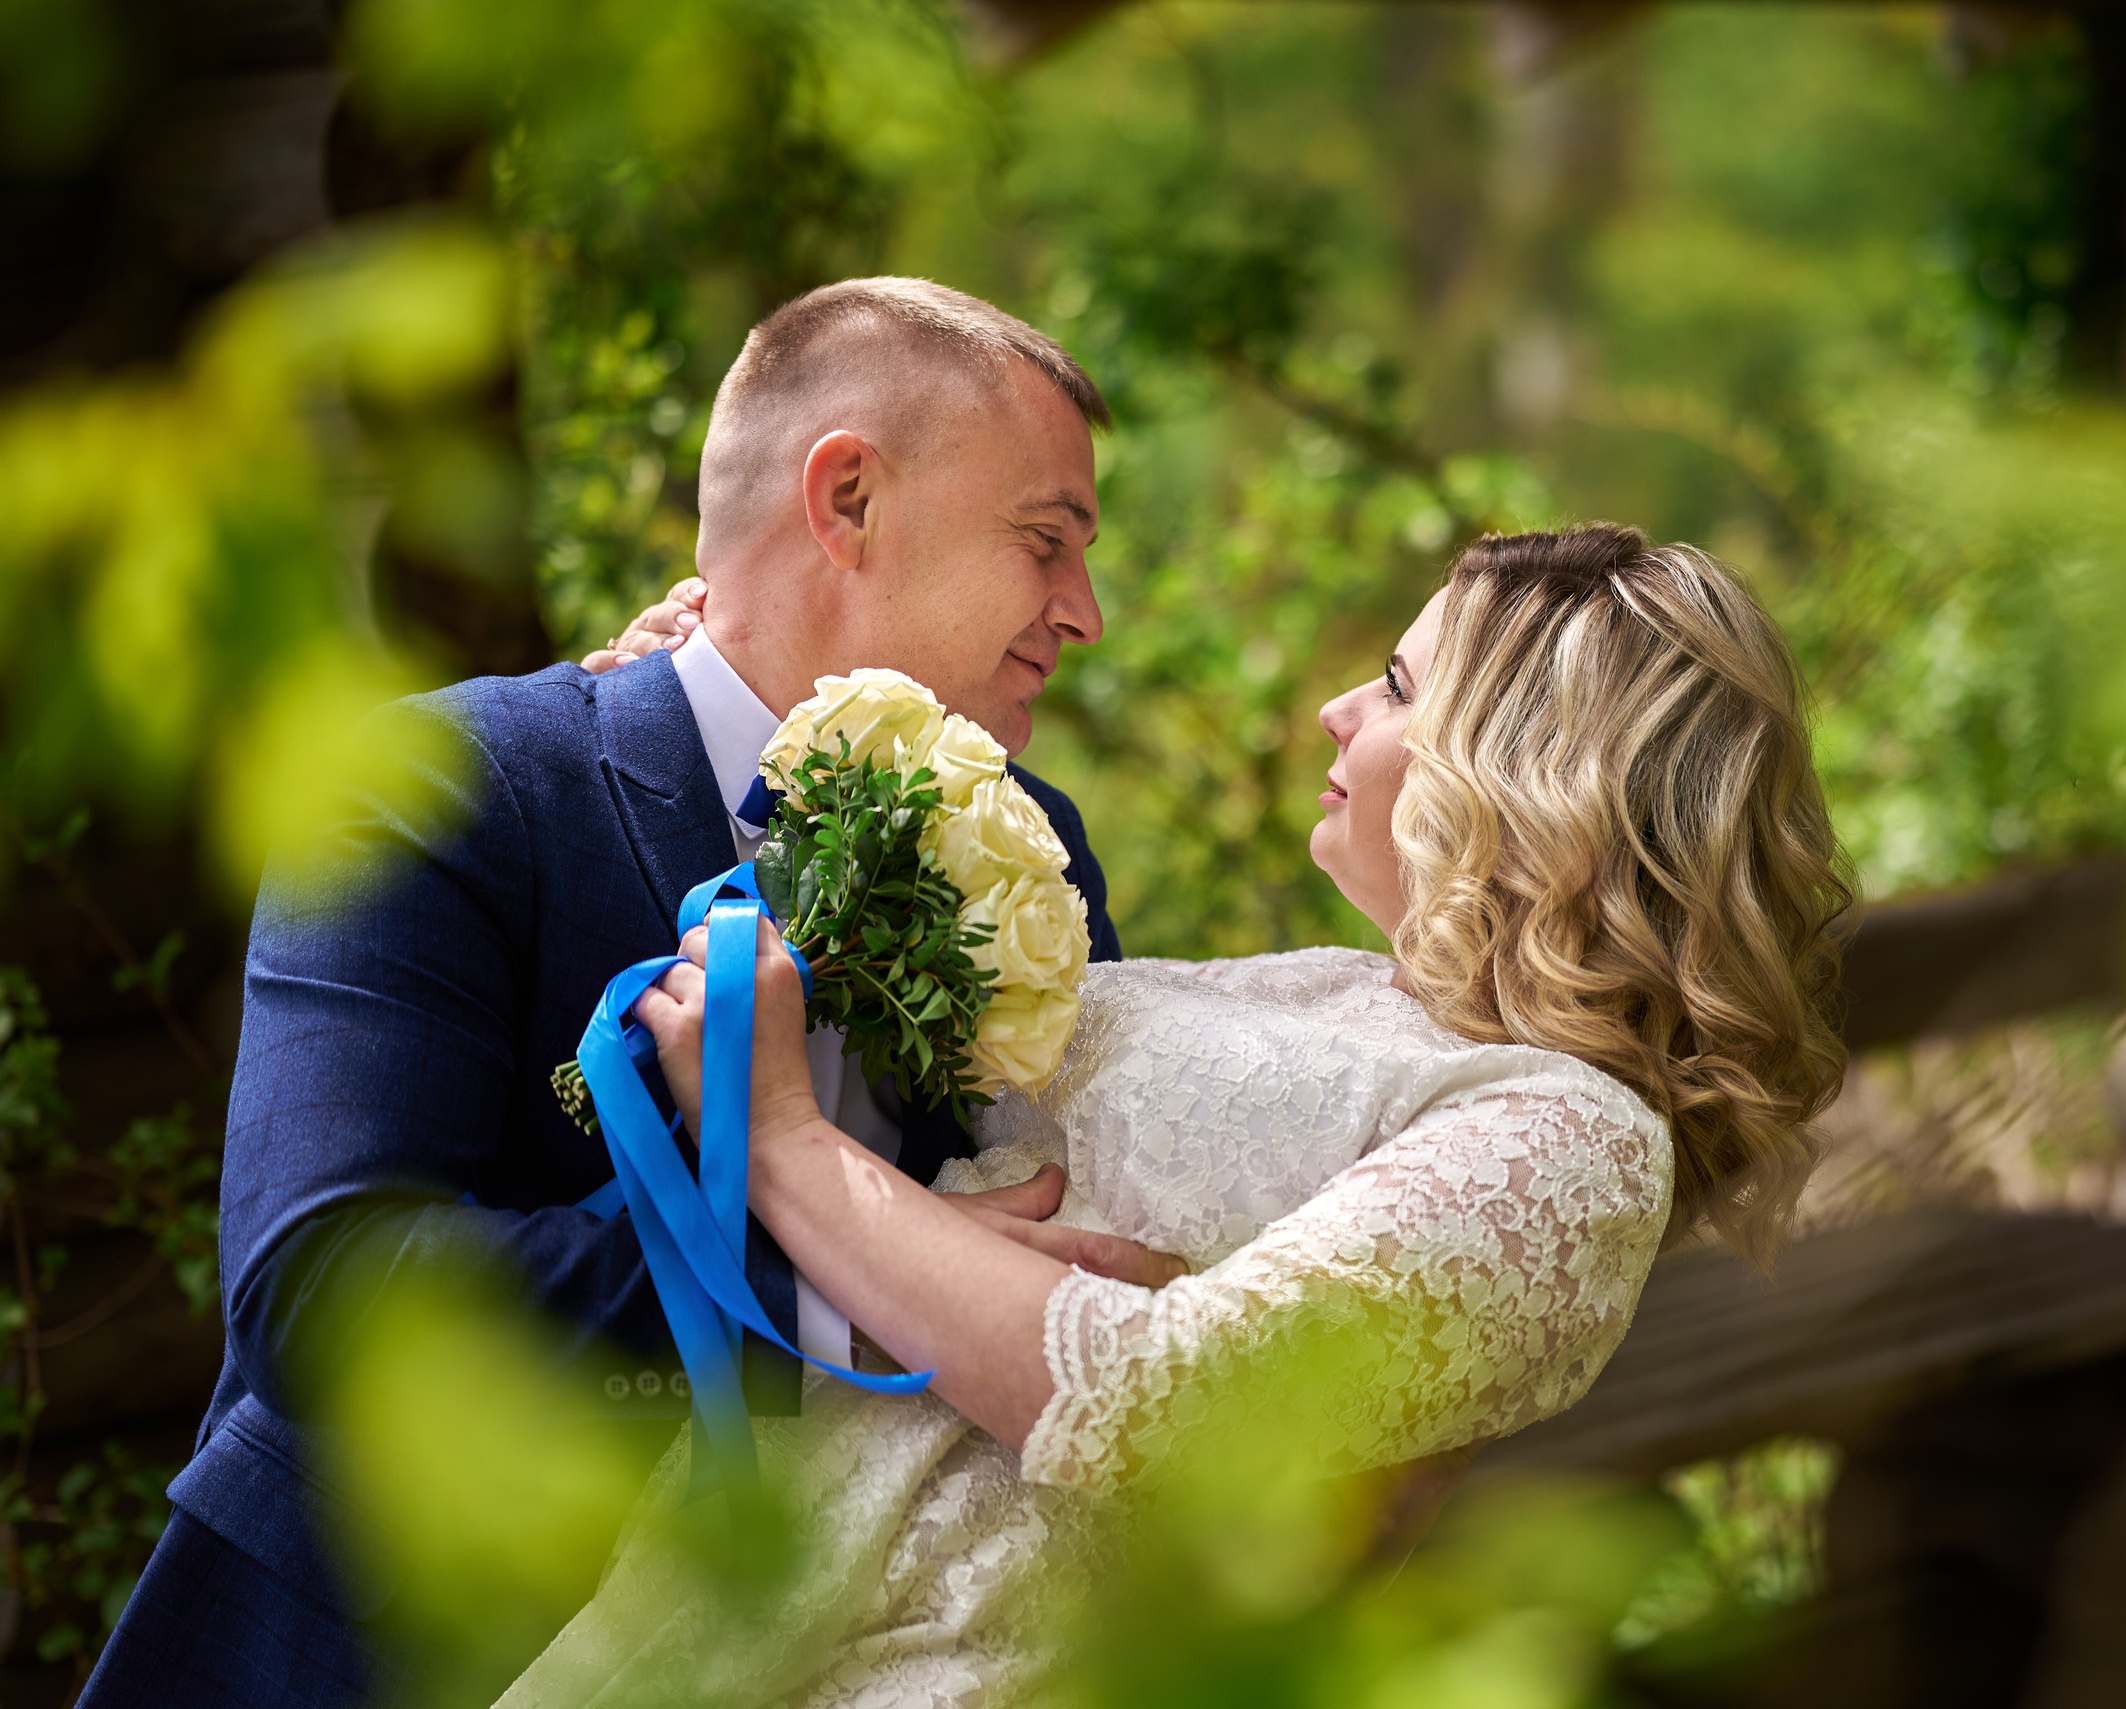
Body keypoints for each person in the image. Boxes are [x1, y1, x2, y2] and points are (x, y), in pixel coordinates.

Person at [502, 523, 1854, 1707]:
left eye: (1397, 688)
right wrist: (729, 717)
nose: (1335, 709)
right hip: (750, 1589)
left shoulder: (1579, 1145)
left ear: (1535, 773)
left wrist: (781, 1141)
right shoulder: (1340, 990)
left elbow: (1156, 1396)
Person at [81, 278, 1183, 1709]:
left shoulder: (1035, 857)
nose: (1084, 614)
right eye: (1046, 541)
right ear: (847, 500)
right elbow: (329, 1291)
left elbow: (1084, 1240)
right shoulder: (452, 787)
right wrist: (854, 1290)